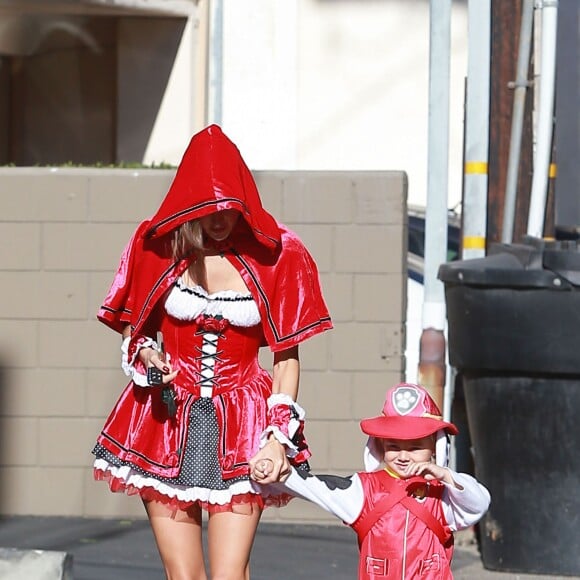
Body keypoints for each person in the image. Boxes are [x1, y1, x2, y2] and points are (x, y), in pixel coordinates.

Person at [91, 124, 332, 580]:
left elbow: (286, 356)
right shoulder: (157, 245)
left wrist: (278, 436)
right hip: (165, 421)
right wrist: (145, 352)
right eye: (209, 208)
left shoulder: (278, 253)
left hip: (243, 420)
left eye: (229, 208)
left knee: (229, 574)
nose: (220, 219)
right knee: (183, 575)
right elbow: (133, 325)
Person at [253, 383, 490, 579]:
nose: (404, 456)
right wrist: (278, 472)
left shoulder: (445, 495)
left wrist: (446, 476)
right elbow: (318, 488)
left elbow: (478, 503)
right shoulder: (364, 490)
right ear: (379, 446)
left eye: (416, 447)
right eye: (394, 446)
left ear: (436, 448)